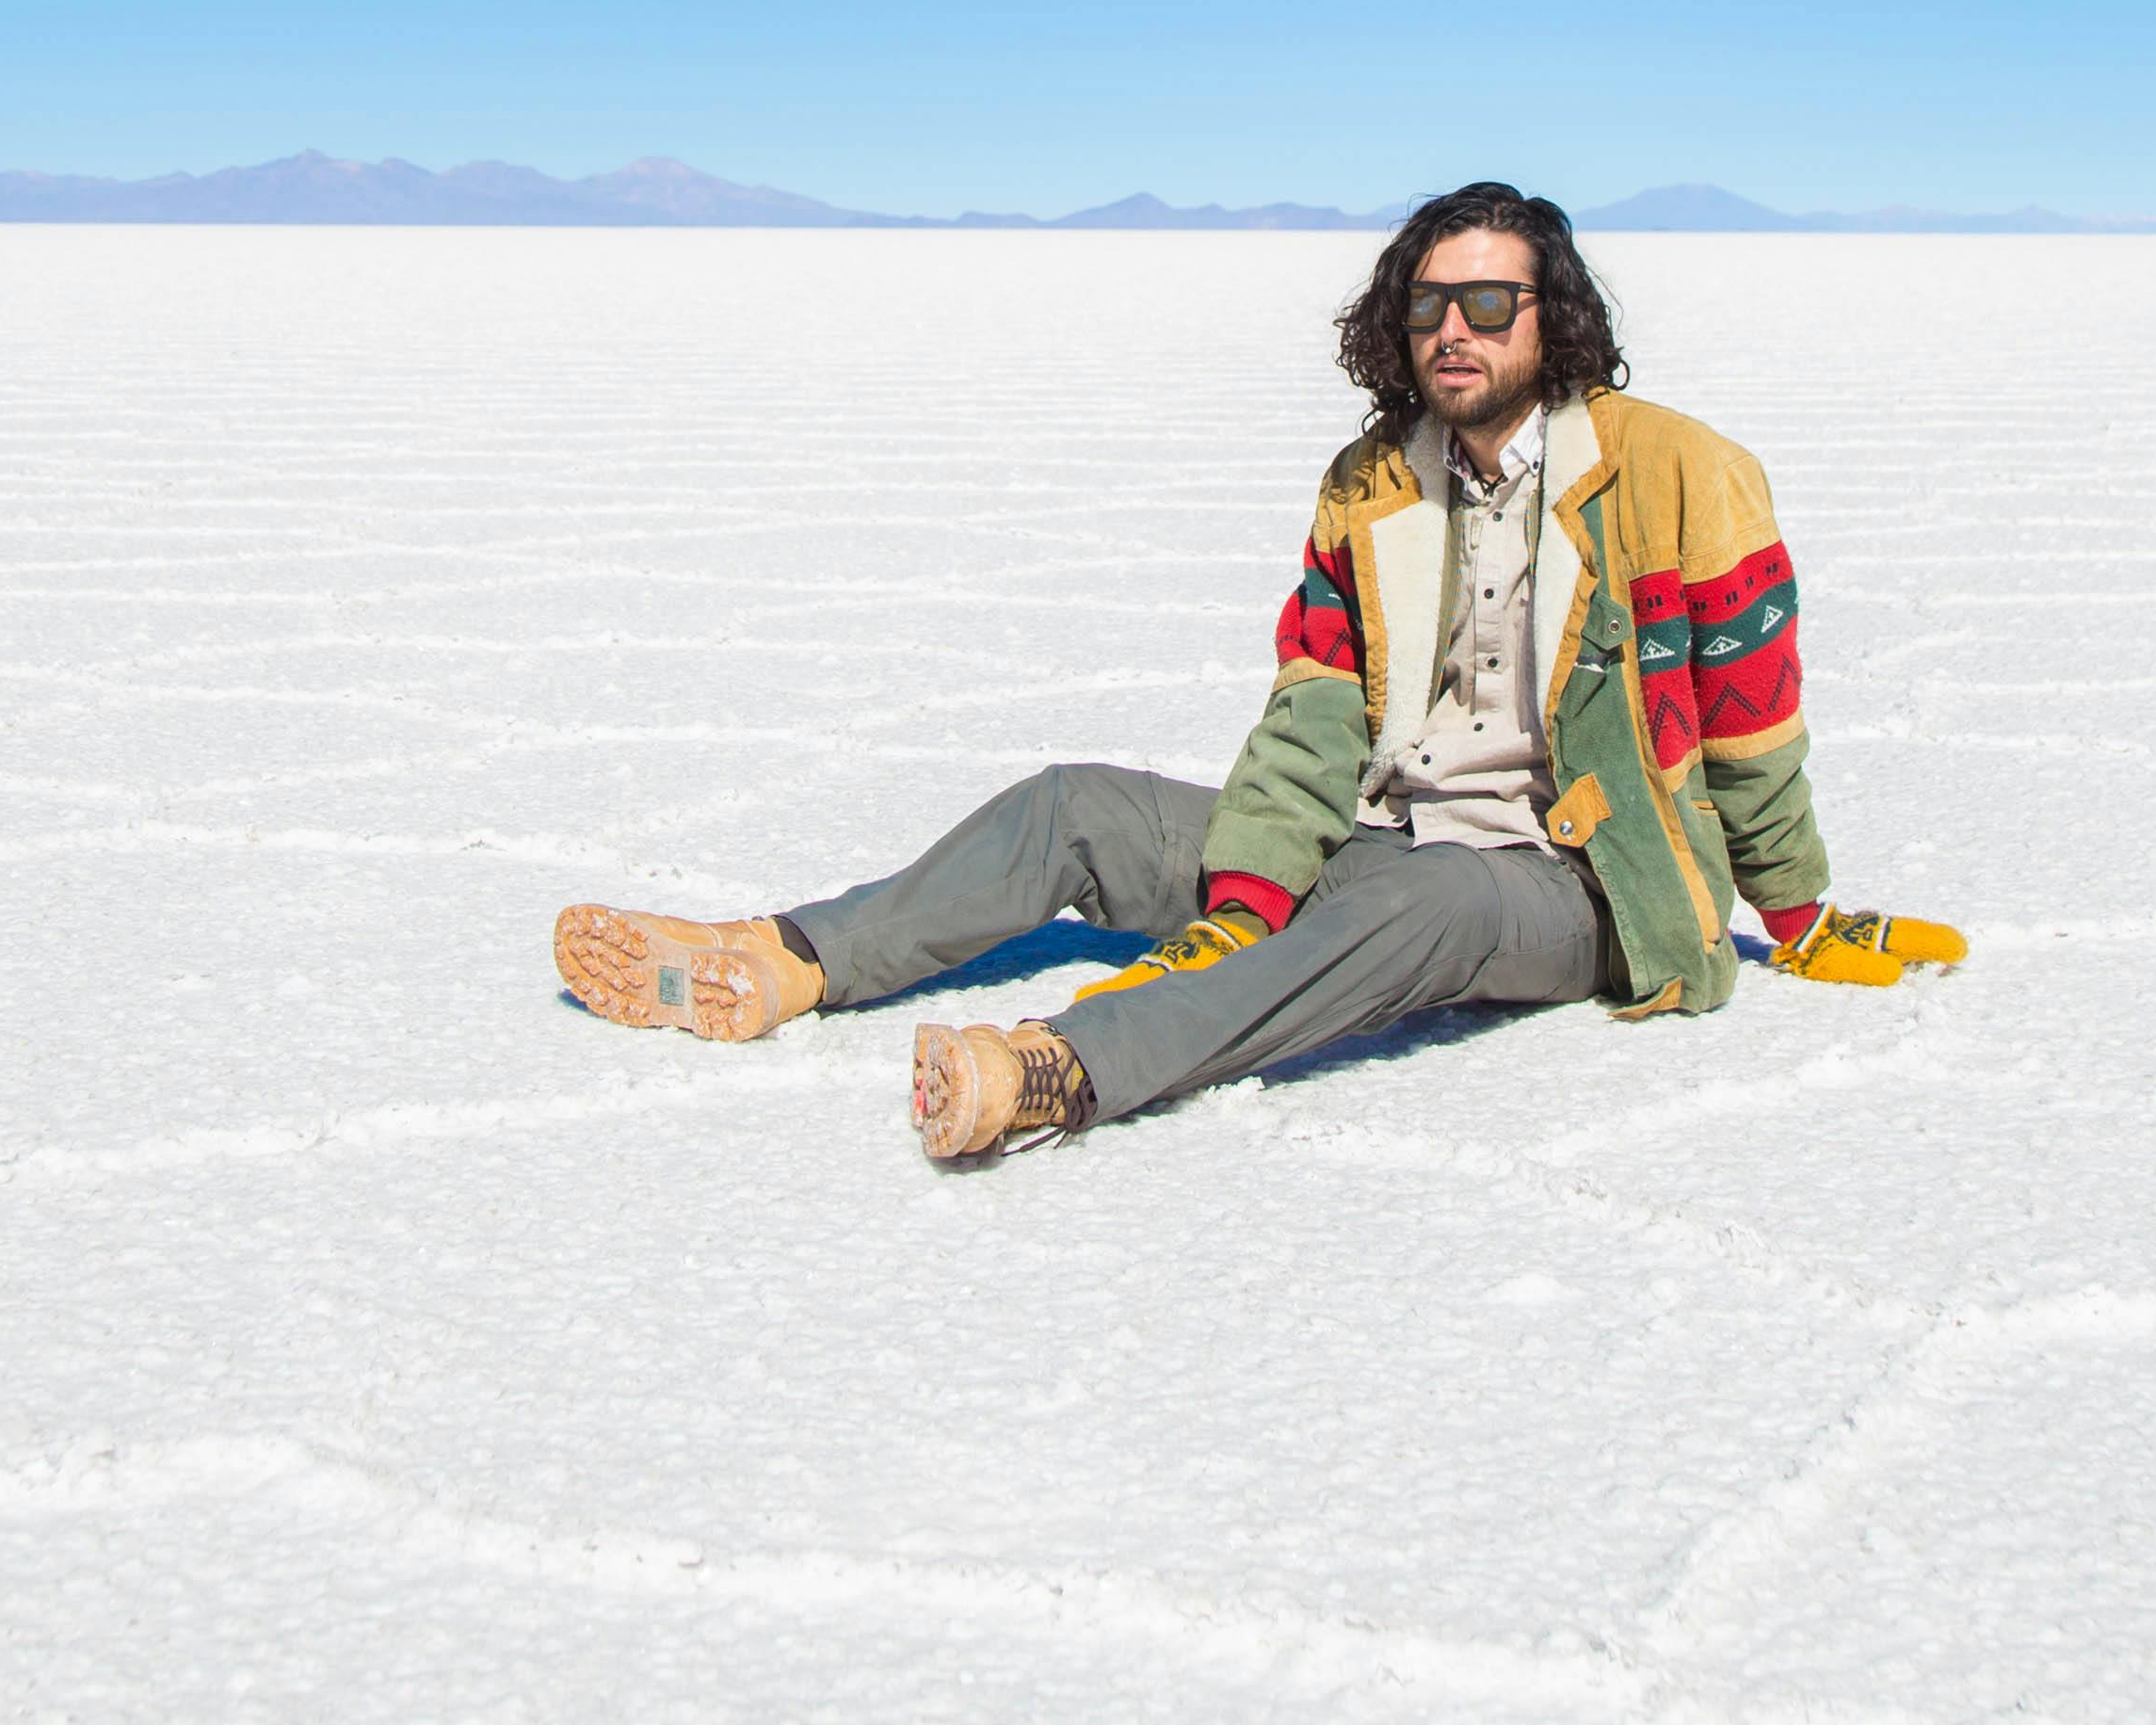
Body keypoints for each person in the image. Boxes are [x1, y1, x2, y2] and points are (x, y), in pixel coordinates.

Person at [548, 180, 1966, 1161]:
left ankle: (1062, 1067)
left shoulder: (1678, 475)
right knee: (1077, 805)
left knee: (1433, 897)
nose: (1453, 331)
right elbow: (1312, 713)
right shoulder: (1372, 483)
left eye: (1488, 302)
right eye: (1428, 306)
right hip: (1377, 841)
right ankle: (788, 960)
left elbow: (1750, 720)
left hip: (1575, 885)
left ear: (1557, 319)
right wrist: (1245, 899)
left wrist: (1801, 911)